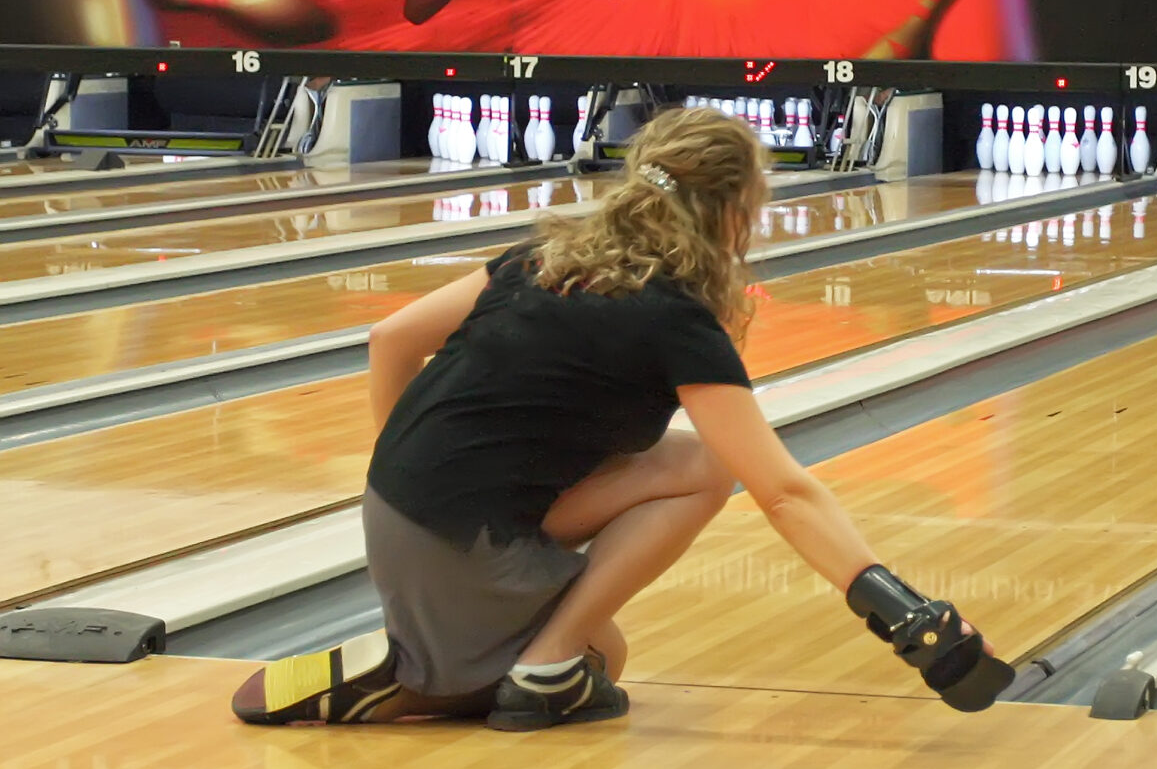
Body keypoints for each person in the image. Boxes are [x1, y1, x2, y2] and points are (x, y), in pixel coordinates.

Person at [232, 107, 1010, 731]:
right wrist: (908, 615)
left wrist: (403, 468)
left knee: (627, 604)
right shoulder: (674, 317)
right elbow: (782, 490)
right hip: (469, 544)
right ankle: (442, 685)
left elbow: (389, 339)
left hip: (396, 515)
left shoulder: (540, 258)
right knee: (604, 642)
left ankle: (461, 664)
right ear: (732, 214)